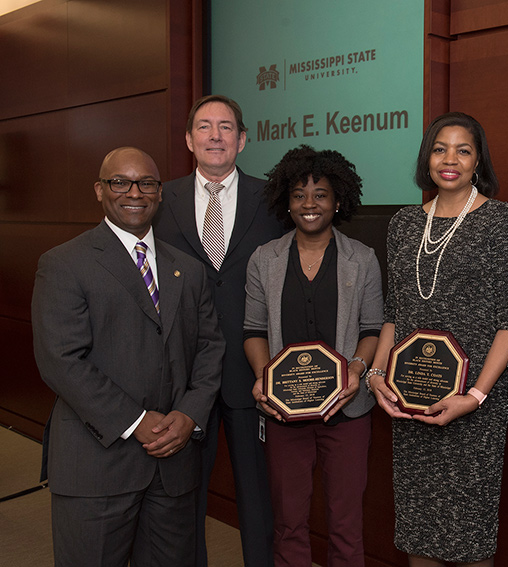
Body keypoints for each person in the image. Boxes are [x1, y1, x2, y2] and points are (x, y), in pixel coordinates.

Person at [32, 147, 224, 566]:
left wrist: (190, 413)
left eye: (147, 183)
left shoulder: (188, 269)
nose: (134, 192)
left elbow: (210, 347)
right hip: (96, 465)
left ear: (159, 193)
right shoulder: (64, 264)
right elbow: (61, 360)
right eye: (121, 182)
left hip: (173, 465)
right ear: (100, 190)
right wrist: (135, 422)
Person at [367, 112, 508, 567]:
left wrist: (475, 396)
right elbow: (394, 313)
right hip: (409, 399)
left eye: (463, 149)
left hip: (473, 406)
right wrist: (377, 374)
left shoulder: (498, 220)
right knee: (420, 532)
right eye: (440, 148)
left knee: (469, 535)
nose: (450, 159)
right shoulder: (403, 223)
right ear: (427, 157)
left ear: (478, 161)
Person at [153, 94, 284, 567]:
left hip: (254, 371)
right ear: (189, 140)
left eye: (226, 127)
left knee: (257, 498)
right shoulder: (157, 199)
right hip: (182, 378)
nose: (215, 136)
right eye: (204, 127)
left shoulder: (273, 199)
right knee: (182, 503)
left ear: (243, 140)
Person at [242, 145, 383, 567]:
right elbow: (252, 330)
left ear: (338, 200)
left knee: (345, 523)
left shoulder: (363, 259)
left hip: (348, 411)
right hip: (284, 414)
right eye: (299, 195)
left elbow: (373, 327)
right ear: (286, 202)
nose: (309, 204)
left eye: (320, 194)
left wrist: (356, 370)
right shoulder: (263, 259)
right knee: (289, 523)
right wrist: (264, 376)